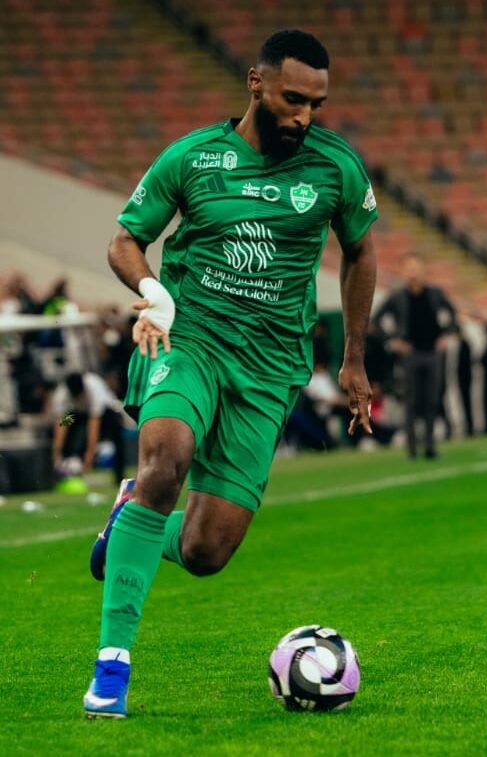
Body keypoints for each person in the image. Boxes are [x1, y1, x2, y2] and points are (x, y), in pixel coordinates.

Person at [82, 29, 378, 717]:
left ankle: (130, 517)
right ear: (256, 82)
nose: (304, 116)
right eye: (293, 98)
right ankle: (111, 668)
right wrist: (153, 294)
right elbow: (125, 238)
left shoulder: (336, 167)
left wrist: (354, 356)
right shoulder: (194, 157)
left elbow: (361, 252)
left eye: (317, 104)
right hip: (189, 342)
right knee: (166, 462)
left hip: (269, 368)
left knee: (205, 549)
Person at [372, 253, 458, 459]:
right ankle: (411, 447)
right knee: (411, 401)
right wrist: (393, 340)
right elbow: (376, 320)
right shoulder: (397, 296)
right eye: (409, 268)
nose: (413, 273)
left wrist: (446, 336)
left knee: (432, 400)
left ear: (423, 270)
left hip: (432, 353)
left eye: (416, 268)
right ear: (403, 272)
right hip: (410, 355)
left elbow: (453, 314)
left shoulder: (435, 293)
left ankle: (429, 445)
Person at [50, 371, 127, 483]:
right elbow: (61, 424)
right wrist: (57, 453)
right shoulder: (61, 393)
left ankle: (119, 476)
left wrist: (90, 454)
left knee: (117, 438)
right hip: (80, 413)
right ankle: (69, 468)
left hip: (107, 412)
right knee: (70, 423)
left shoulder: (94, 387)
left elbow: (94, 424)